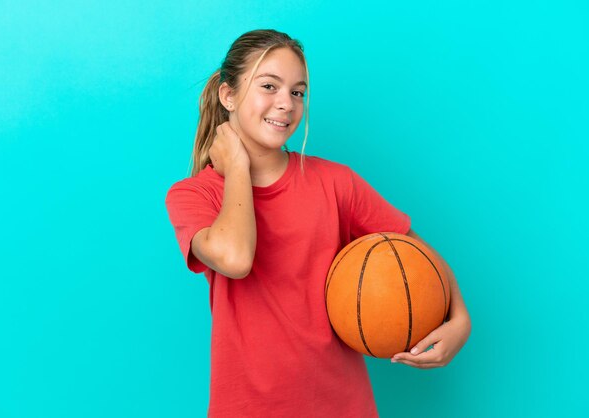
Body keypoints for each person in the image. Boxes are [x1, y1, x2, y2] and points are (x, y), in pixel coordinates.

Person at [165, 29, 471, 417]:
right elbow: (237, 258)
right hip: (246, 407)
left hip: (343, 406)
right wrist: (237, 165)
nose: (286, 104)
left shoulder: (335, 183)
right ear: (228, 95)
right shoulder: (193, 196)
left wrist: (459, 320)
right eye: (269, 86)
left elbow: (414, 250)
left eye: (297, 92)